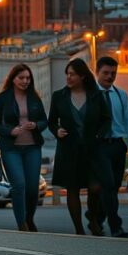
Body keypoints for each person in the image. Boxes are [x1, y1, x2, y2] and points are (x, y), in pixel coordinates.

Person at [48, 59, 111, 236]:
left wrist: (99, 134)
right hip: (69, 150)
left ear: (82, 76)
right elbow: (51, 121)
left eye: (72, 74)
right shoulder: (59, 96)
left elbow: (106, 119)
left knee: (95, 187)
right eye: (67, 74)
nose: (68, 77)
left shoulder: (95, 95)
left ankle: (93, 219)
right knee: (72, 188)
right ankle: (79, 229)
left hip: (92, 150)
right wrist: (57, 130)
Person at [0, 64, 47, 232]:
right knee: (19, 185)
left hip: (32, 148)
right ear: (13, 78)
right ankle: (21, 223)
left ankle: (30, 218)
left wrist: (36, 125)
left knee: (32, 187)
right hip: (11, 148)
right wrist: (9, 131)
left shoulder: (34, 97)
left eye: (28, 78)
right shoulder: (3, 97)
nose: (25, 81)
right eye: (21, 78)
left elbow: (45, 120)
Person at [91, 56, 128, 238]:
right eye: (106, 73)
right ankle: (115, 226)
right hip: (99, 146)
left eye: (113, 73)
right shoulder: (91, 95)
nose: (110, 77)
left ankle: (95, 217)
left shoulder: (121, 95)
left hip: (118, 145)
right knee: (108, 185)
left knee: (114, 186)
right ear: (97, 72)